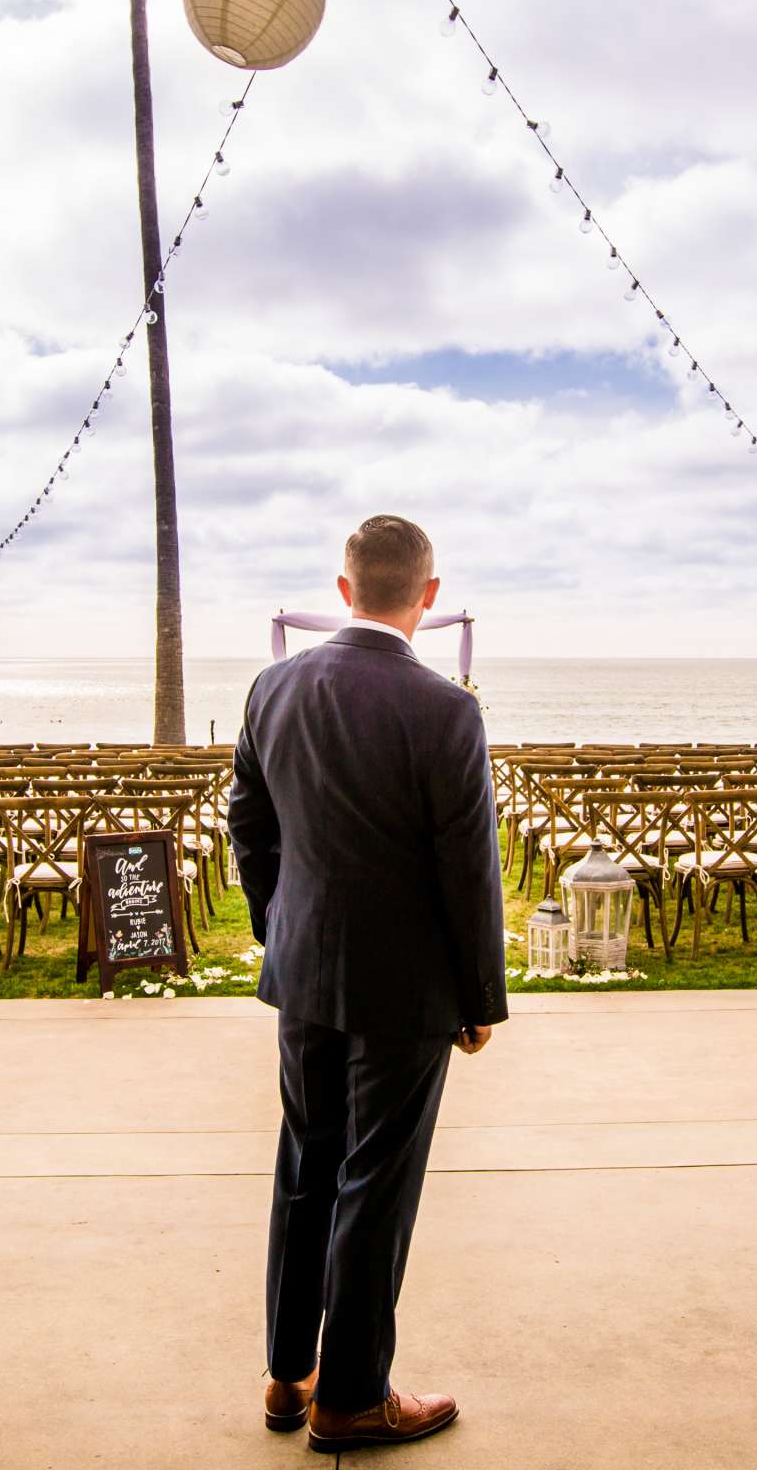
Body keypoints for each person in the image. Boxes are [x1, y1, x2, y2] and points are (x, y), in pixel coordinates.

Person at [229, 514, 509, 1455]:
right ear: (427, 597)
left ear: (345, 590)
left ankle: (287, 1375)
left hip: (303, 974)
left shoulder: (273, 688)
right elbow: (469, 870)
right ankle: (351, 1398)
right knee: (374, 1183)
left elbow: (251, 831)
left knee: (305, 1168)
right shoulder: (447, 710)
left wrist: (283, 931)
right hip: (406, 991)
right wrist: (480, 1000)